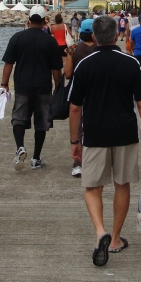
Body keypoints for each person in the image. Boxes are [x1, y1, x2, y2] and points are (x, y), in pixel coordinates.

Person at [68, 16, 141, 266]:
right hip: (125, 133)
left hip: (95, 134)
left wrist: (74, 140)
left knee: (92, 187)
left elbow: (75, 108)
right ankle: (117, 238)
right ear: (117, 35)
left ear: (95, 37)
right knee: (122, 184)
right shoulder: (130, 63)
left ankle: (100, 232)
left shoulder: (84, 65)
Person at [1, 5, 62, 171]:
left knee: (18, 118)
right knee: (41, 123)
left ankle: (20, 147)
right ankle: (36, 158)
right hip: (43, 87)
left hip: (22, 86)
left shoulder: (17, 38)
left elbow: (8, 63)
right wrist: (58, 88)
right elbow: (56, 69)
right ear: (44, 22)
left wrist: (4, 83)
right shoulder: (50, 41)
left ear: (28, 21)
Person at [64, 19, 97, 178]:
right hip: (98, 92)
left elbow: (68, 74)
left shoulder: (73, 49)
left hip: (79, 91)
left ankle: (78, 163)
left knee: (79, 127)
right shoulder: (101, 48)